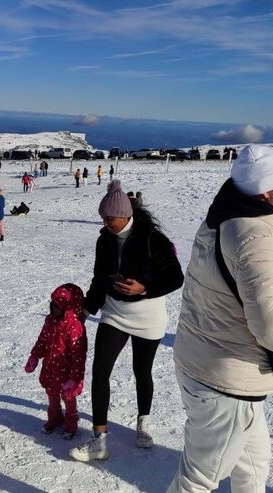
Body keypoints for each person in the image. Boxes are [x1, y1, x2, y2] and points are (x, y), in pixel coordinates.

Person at [166, 146, 273, 493]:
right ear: (265, 190)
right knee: (199, 479)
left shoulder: (218, 221)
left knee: (254, 466)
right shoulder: (259, 240)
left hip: (206, 365)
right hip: (226, 383)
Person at [70, 180, 184, 462]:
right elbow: (99, 279)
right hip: (114, 314)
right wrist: (86, 309)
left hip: (149, 317)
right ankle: (99, 439)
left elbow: (175, 277)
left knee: (141, 371)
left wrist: (143, 287)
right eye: (103, 218)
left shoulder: (153, 240)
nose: (107, 222)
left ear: (126, 215)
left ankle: (143, 422)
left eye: (111, 218)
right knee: (100, 370)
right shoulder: (103, 240)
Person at [25, 284, 88, 440]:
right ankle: (55, 418)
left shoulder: (74, 327)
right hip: (51, 367)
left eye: (58, 305)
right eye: (52, 304)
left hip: (67, 371)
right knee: (51, 393)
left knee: (68, 397)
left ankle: (71, 423)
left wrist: (74, 378)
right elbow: (43, 340)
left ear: (69, 307)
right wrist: (34, 356)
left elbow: (79, 356)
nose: (53, 308)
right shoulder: (50, 321)